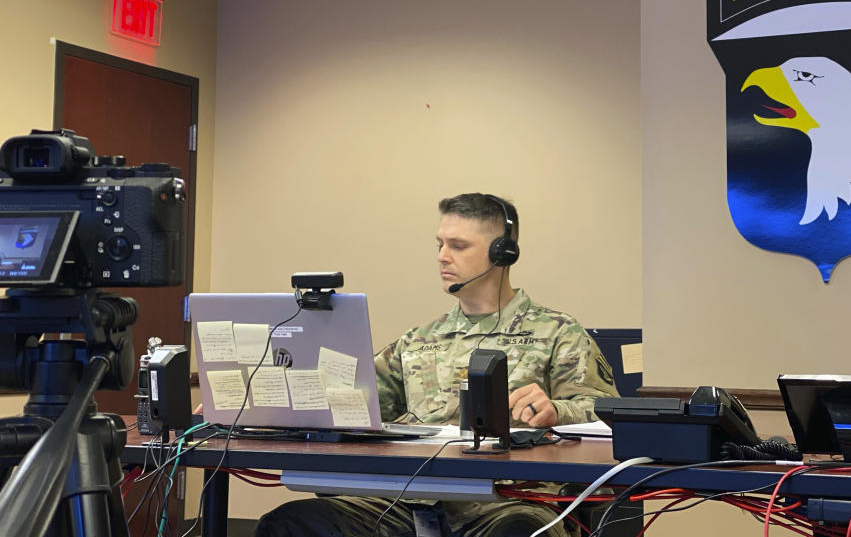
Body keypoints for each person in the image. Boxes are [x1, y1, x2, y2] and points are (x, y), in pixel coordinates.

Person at [256, 193, 620, 537]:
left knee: (521, 529)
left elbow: (605, 415)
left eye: (458, 246)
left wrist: (555, 410)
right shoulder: (418, 341)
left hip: (504, 502)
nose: (442, 256)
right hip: (406, 500)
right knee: (289, 524)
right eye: (440, 244)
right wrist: (251, 407)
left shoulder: (556, 332)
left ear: (502, 254)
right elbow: (347, 401)